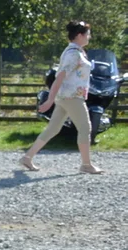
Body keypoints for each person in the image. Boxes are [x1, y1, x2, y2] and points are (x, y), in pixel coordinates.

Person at [21, 20, 102, 174]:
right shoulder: (73, 54)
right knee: (85, 128)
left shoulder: (75, 51)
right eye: (87, 35)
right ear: (79, 35)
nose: (89, 37)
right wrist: (50, 100)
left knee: (53, 129)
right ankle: (86, 164)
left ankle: (27, 157)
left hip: (67, 96)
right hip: (72, 97)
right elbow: (60, 77)